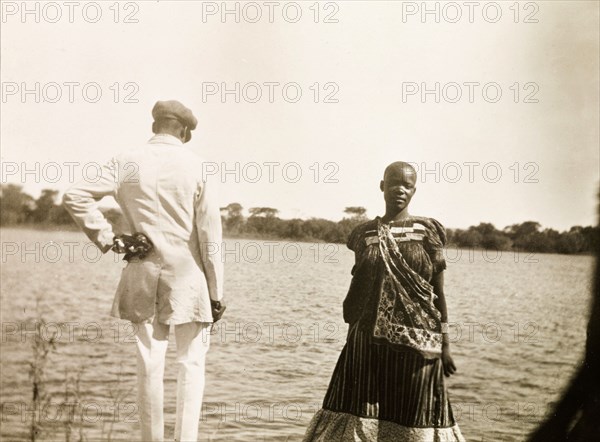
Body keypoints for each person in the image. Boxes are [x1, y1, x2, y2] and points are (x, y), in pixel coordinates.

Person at [62, 100, 225, 442]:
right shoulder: (197, 166)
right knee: (191, 364)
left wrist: (110, 238)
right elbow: (210, 237)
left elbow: (75, 195)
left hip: (142, 272)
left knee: (149, 362)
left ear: (155, 125)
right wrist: (217, 293)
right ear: (183, 130)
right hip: (189, 278)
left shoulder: (124, 162)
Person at [304, 161, 464, 441]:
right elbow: (359, 287)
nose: (399, 190)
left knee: (415, 415)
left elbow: (438, 294)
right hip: (366, 340)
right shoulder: (364, 234)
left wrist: (446, 345)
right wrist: (352, 338)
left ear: (414, 191)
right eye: (393, 183)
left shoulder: (428, 232)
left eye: (407, 185)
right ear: (382, 186)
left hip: (419, 343)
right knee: (358, 414)